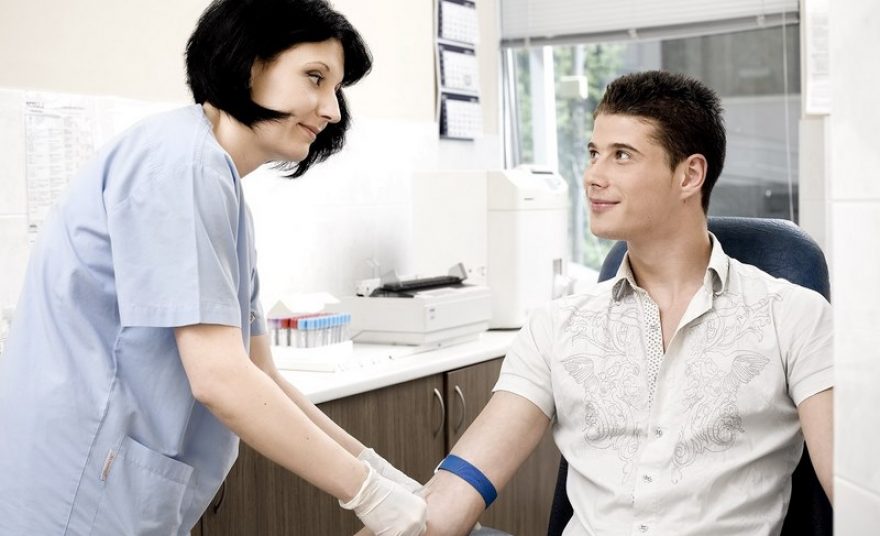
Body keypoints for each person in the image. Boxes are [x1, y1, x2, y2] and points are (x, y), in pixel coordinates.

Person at [0, 1, 426, 535]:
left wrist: (377, 472)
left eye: (336, 89)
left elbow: (259, 373)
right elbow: (220, 379)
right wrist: (366, 495)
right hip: (78, 486)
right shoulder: (183, 167)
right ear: (247, 62)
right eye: (315, 78)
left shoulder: (212, 178)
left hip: (111, 479)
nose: (332, 110)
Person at [419, 71, 834, 536]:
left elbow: (858, 496)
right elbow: (451, 500)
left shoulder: (794, 318)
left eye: (621, 155)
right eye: (594, 153)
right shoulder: (556, 327)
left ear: (690, 175)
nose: (593, 176)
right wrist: (377, 494)